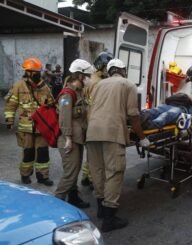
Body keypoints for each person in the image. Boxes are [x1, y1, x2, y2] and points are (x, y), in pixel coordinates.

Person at [86, 58, 150, 232]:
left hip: (92, 133)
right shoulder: (128, 84)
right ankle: (109, 219)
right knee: (114, 172)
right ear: (123, 70)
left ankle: (101, 209)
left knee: (97, 171)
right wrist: (142, 138)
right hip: (112, 133)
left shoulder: (98, 84)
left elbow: (90, 109)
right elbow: (134, 116)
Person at [3, 57, 54, 186]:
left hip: (41, 128)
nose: (38, 74)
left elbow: (52, 104)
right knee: (28, 153)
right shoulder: (19, 86)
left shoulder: (44, 87)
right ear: (28, 72)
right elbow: (11, 104)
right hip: (26, 128)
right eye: (35, 71)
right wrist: (9, 119)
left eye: (39, 71)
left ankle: (43, 176)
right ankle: (25, 175)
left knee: (43, 153)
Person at [54, 59, 93, 208]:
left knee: (74, 171)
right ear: (79, 75)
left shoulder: (79, 92)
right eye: (87, 75)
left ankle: (73, 198)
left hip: (77, 138)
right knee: (70, 174)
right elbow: (64, 118)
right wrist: (68, 138)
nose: (89, 78)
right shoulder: (67, 94)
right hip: (68, 139)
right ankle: (56, 203)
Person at [81, 51, 113, 188]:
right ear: (101, 66)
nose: (109, 71)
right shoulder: (98, 83)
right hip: (95, 121)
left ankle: (86, 177)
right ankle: (94, 179)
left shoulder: (93, 79)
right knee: (97, 156)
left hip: (89, 121)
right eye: (107, 67)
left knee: (91, 153)